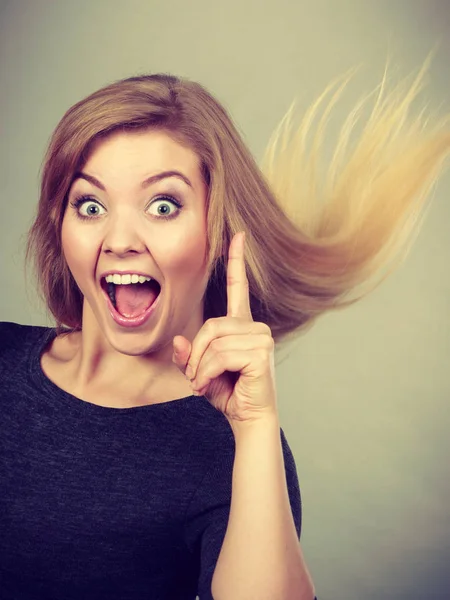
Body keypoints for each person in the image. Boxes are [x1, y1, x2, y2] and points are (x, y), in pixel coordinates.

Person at [1, 50, 449, 599]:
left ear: (217, 230)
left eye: (163, 205)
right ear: (59, 225)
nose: (118, 239)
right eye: (90, 206)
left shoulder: (236, 453)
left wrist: (256, 427)